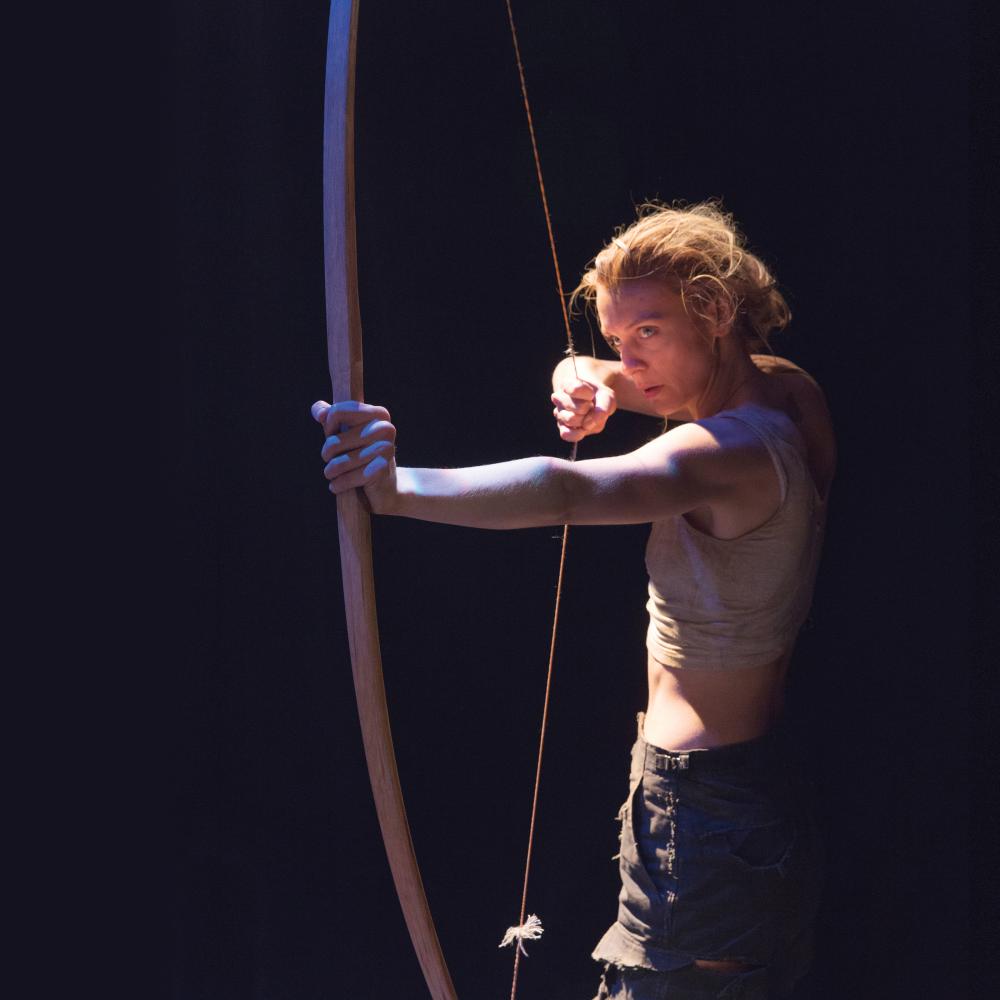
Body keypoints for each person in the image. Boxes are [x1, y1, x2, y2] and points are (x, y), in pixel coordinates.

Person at [313, 201, 835, 999]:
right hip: (740, 792)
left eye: (649, 332)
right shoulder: (791, 392)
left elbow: (564, 489)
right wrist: (587, 380)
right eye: (617, 338)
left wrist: (395, 488)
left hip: (699, 808)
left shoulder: (729, 452)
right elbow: (592, 371)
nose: (628, 359)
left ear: (717, 310)